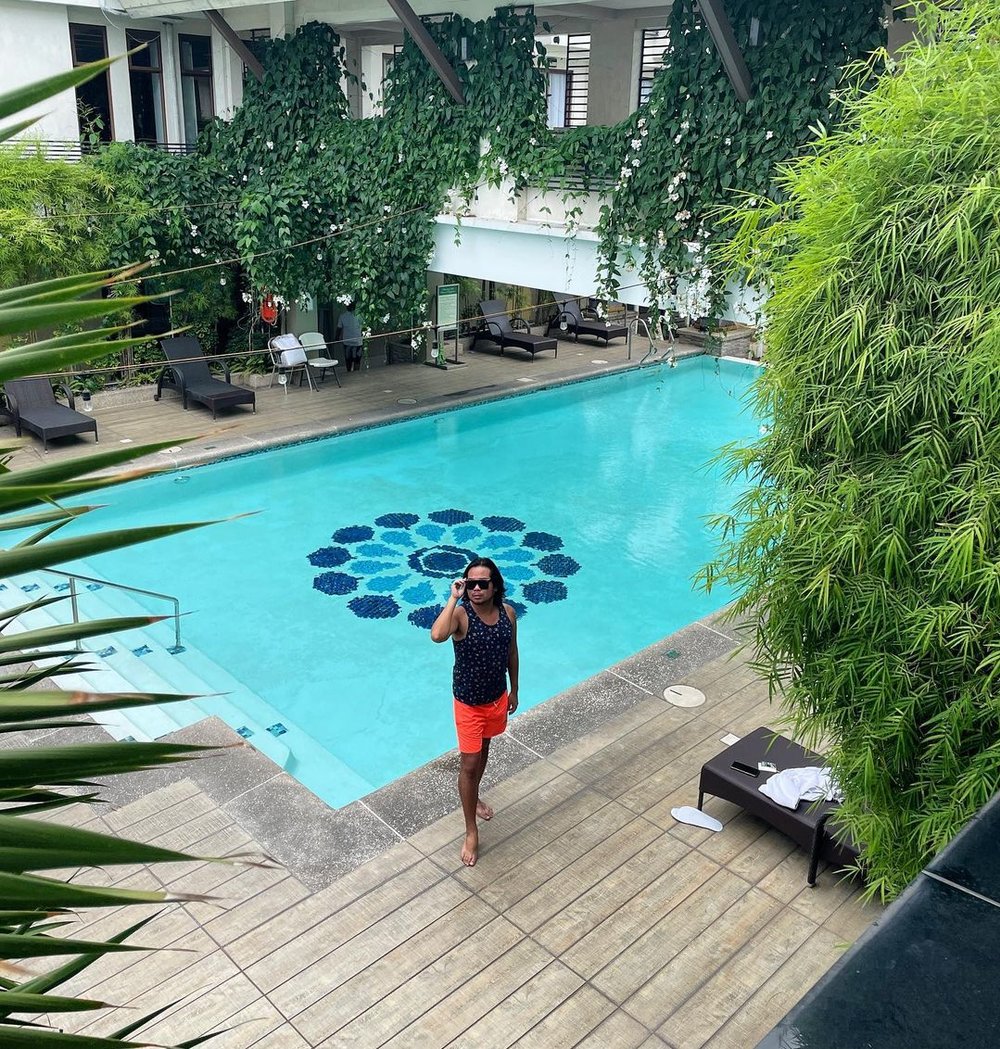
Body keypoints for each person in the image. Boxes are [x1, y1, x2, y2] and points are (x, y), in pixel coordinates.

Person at [430, 557, 519, 867]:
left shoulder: (508, 613)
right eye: (471, 584)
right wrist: (453, 597)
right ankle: (471, 831)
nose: (476, 589)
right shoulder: (460, 615)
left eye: (482, 583)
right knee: (469, 763)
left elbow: (511, 652)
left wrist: (514, 689)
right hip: (468, 704)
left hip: (496, 698)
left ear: (495, 586)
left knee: (484, 751)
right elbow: (437, 635)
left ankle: (475, 796)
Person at [336, 300, 364, 372]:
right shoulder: (360, 316)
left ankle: (349, 373)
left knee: (348, 360)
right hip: (358, 342)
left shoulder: (342, 316)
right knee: (357, 360)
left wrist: (336, 338)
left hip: (347, 342)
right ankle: (356, 374)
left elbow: (339, 329)